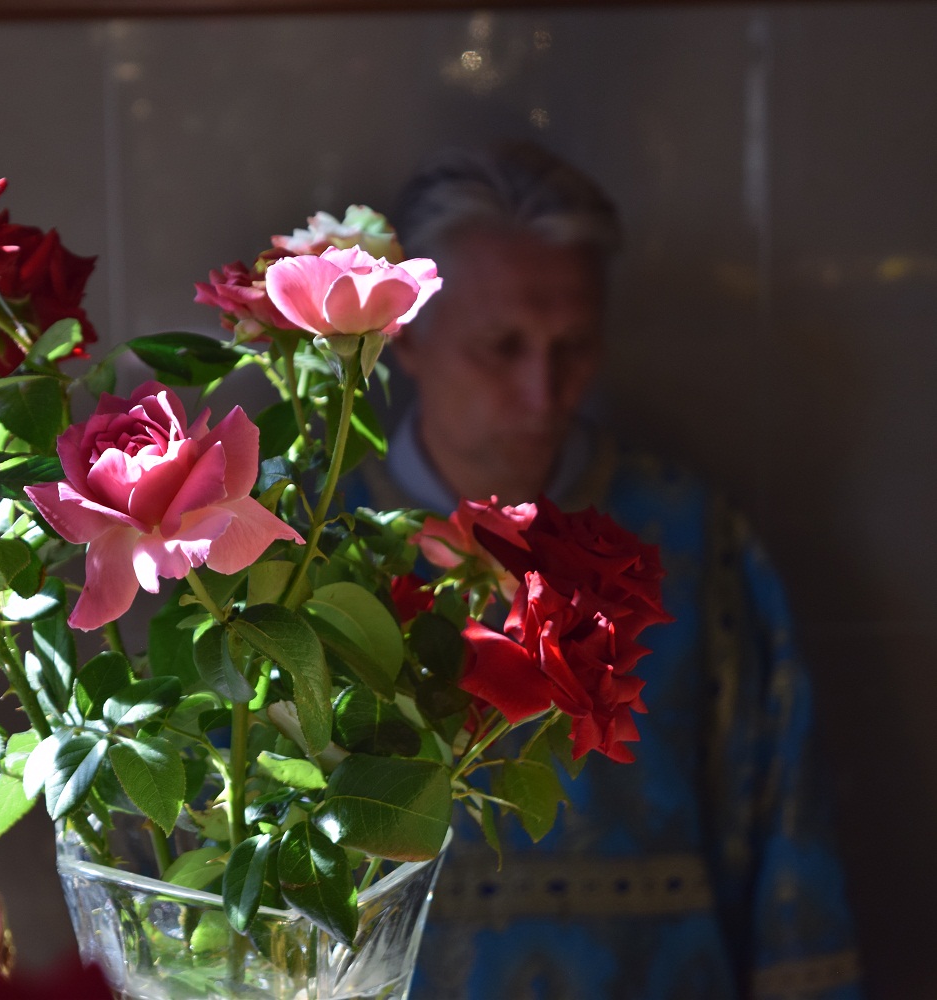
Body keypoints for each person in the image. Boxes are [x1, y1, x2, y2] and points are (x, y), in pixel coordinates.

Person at [362, 142, 863, 1000]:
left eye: (574, 346)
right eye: (501, 347)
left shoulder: (688, 537)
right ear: (405, 336)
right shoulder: (311, 549)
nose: (544, 392)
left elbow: (785, 832)